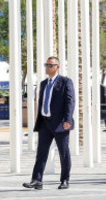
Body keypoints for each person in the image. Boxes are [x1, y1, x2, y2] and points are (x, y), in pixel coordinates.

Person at [23, 57, 74, 190]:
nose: (47, 67)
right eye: (46, 65)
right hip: (45, 123)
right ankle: (37, 180)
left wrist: (68, 119)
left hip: (60, 123)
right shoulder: (43, 83)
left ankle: (64, 180)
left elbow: (70, 101)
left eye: (50, 65)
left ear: (57, 67)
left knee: (64, 153)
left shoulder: (65, 82)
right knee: (41, 152)